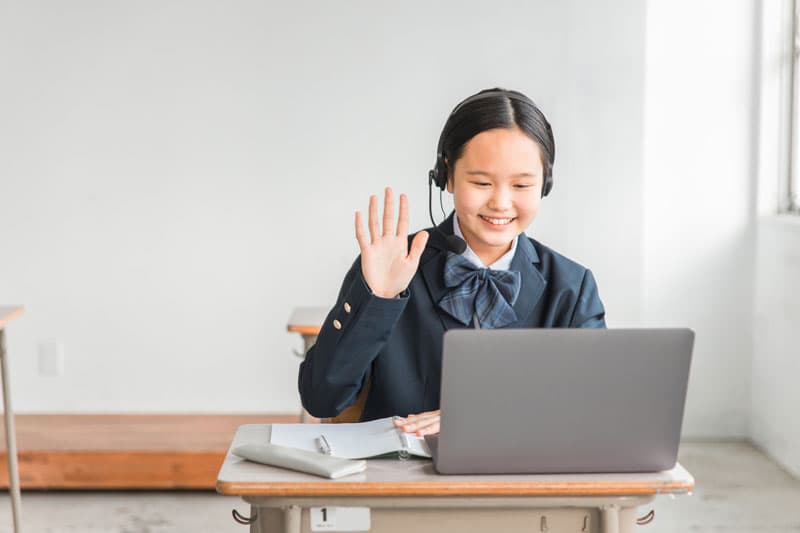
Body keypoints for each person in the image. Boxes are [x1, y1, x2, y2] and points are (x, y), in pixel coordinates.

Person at [298, 88, 605, 436]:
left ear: (544, 185)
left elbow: (591, 410)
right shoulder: (394, 264)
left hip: (522, 484)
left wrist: (479, 418)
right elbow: (321, 399)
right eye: (481, 182)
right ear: (446, 176)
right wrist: (377, 300)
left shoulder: (571, 287)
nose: (501, 203)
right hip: (401, 480)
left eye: (521, 185)